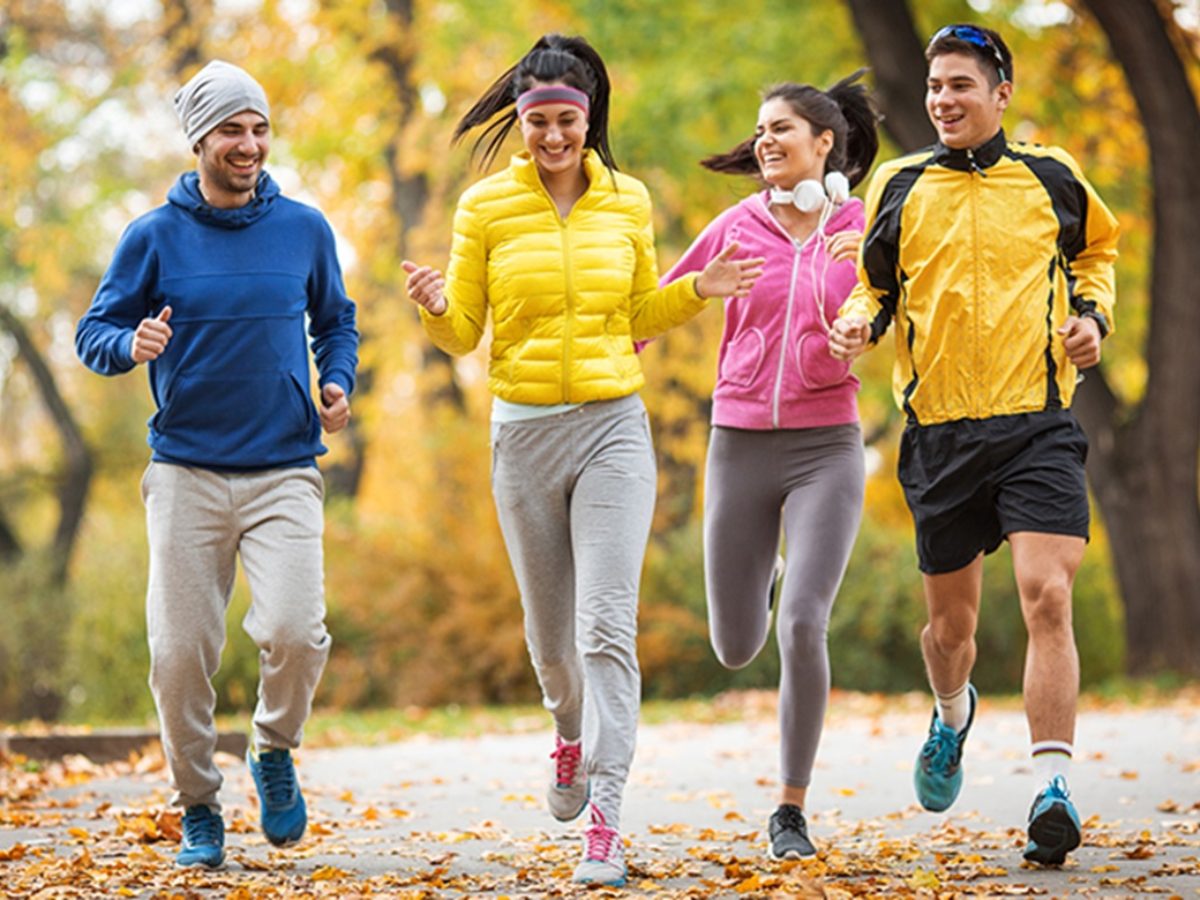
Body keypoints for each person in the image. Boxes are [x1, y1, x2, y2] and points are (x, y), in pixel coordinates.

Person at [401, 33, 762, 887]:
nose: (554, 138)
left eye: (567, 121)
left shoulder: (626, 200)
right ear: (520, 122)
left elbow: (640, 305)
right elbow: (462, 333)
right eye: (539, 124)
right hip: (523, 435)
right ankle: (568, 736)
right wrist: (434, 307)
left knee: (605, 625)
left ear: (589, 117)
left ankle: (607, 820)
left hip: (613, 426)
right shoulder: (486, 208)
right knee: (552, 644)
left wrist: (696, 291)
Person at [829, 24, 1119, 867]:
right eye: (934, 87)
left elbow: (1096, 252)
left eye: (962, 85)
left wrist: (1092, 319)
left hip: (1036, 423)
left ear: (1002, 95)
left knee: (1047, 597)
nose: (944, 100)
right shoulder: (901, 181)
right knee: (949, 634)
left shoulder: (1053, 175)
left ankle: (1052, 790)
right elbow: (874, 285)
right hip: (941, 434)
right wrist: (859, 321)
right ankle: (953, 712)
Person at [75, 60, 359, 870]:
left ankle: (272, 748)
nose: (250, 143)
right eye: (232, 129)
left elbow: (337, 324)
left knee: (299, 634)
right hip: (187, 473)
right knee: (178, 654)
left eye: (259, 127)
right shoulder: (152, 237)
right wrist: (130, 344)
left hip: (283, 469)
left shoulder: (303, 228)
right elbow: (93, 331)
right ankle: (198, 803)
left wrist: (336, 382)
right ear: (199, 137)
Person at [659, 72, 878, 861]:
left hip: (828, 446)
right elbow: (657, 306)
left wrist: (863, 323)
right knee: (735, 645)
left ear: (825, 144)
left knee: (803, 622)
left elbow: (888, 306)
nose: (765, 141)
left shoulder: (861, 227)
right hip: (740, 444)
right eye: (760, 130)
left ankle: (790, 807)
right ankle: (774, 564)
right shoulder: (735, 225)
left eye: (782, 128)